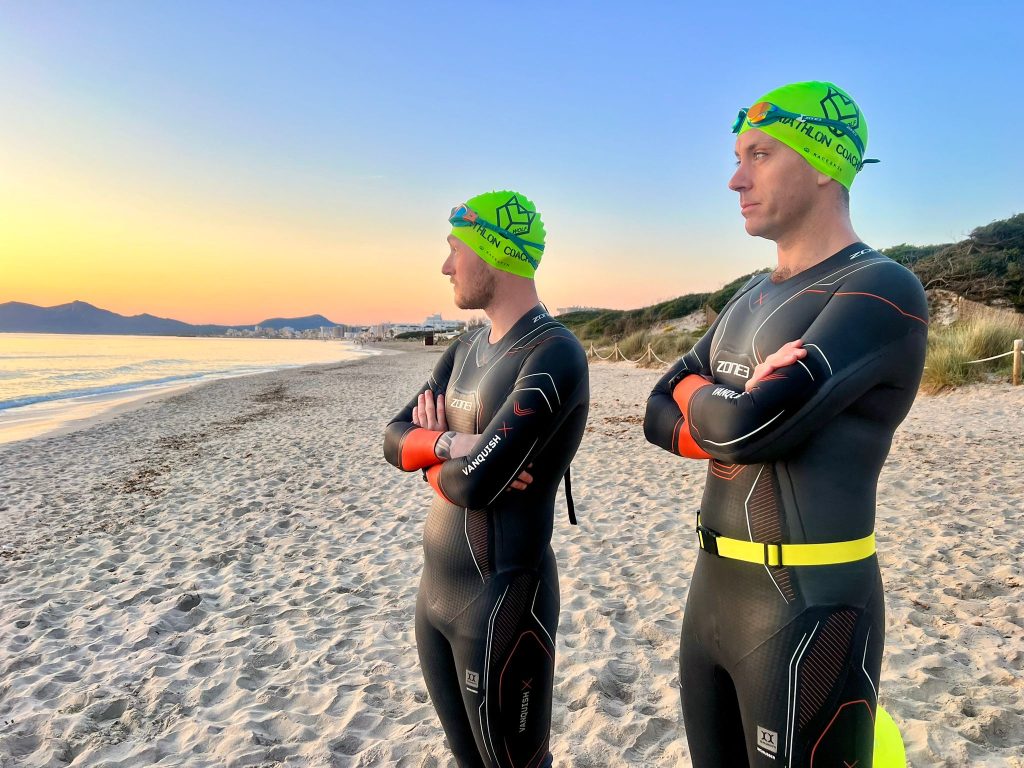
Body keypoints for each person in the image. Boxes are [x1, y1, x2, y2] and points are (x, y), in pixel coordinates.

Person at [643, 81, 927, 766]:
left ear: (825, 164)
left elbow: (747, 430)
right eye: (738, 158)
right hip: (711, 595)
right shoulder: (749, 296)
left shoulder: (881, 290)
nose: (736, 179)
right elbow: (656, 409)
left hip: (810, 608)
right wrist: (724, 407)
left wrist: (712, 401)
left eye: (760, 155)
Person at [383, 191, 589, 768]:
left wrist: (429, 457)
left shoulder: (554, 353)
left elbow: (476, 487)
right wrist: (449, 445)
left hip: (503, 601)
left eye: (456, 249)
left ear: (496, 252)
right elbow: (392, 437)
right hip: (435, 595)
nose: (445, 266)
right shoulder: (465, 348)